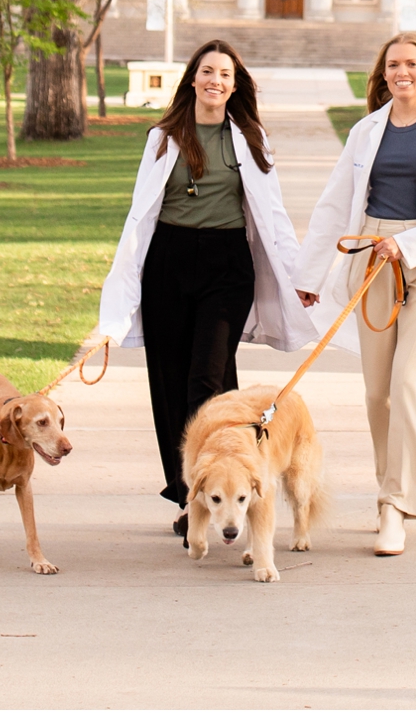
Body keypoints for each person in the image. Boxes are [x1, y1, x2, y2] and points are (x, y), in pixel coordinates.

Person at [94, 39, 310, 537]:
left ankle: (229, 483)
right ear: (192, 78)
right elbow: (139, 214)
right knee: (169, 383)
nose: (216, 81)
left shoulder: (250, 138)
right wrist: (119, 296)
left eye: (225, 74)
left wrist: (300, 277)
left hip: (227, 266)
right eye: (208, 71)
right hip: (168, 263)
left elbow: (274, 216)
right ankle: (190, 493)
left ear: (235, 86)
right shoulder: (163, 137)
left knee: (207, 381)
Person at [293, 31, 416, 556]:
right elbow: (336, 204)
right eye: (392, 64)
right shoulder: (366, 131)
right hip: (373, 260)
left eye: (411, 63)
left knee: (408, 385)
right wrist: (310, 275)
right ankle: (394, 489)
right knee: (377, 392)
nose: (401, 71)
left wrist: (409, 245)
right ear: (383, 75)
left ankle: (394, 505)